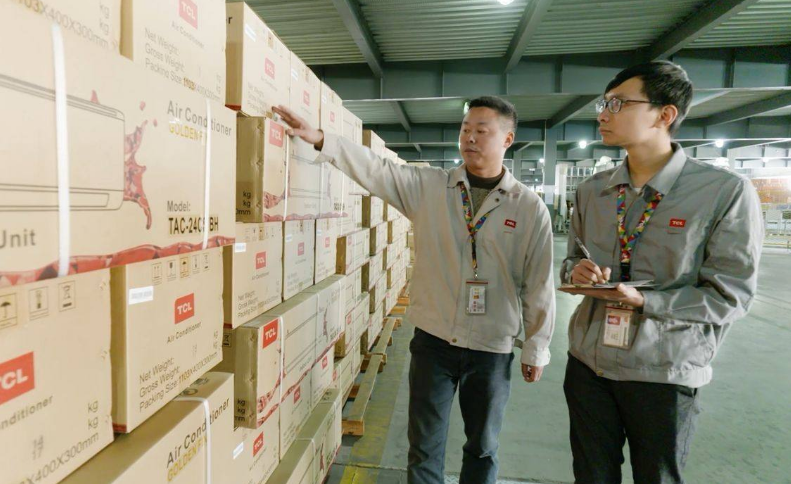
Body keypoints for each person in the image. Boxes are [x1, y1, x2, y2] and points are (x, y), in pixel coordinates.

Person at [274, 96, 555, 484]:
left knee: (483, 445)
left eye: (482, 131)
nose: (470, 138)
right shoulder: (431, 187)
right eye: (465, 130)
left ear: (507, 139)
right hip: (434, 340)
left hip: (491, 347)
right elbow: (377, 170)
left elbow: (539, 283)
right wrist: (323, 139)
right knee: (424, 446)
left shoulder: (528, 208)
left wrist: (537, 345)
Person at [560, 61, 764, 484]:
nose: (603, 114)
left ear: (665, 114)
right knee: (591, 476)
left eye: (618, 104)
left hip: (663, 369)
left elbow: (730, 296)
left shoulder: (722, 192)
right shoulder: (593, 191)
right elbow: (570, 259)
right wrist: (577, 271)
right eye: (603, 104)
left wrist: (646, 301)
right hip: (589, 366)